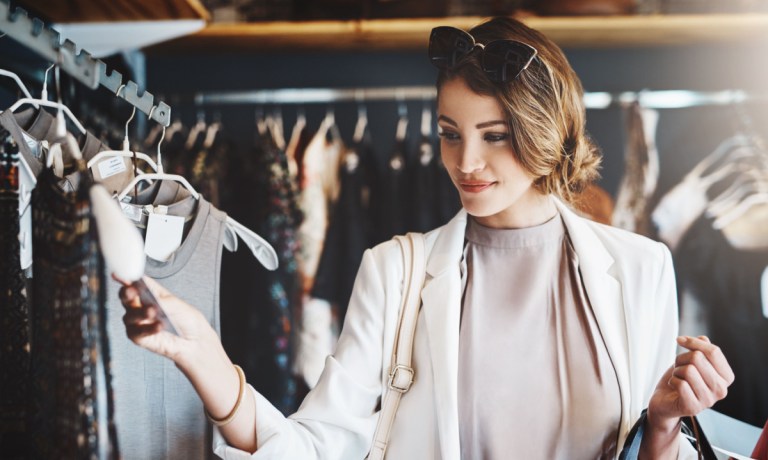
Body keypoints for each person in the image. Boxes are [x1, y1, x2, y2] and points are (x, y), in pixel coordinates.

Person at [117, 17, 734, 459]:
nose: (466, 161)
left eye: (495, 135)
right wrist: (205, 358)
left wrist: (661, 427)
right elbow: (314, 445)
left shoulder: (640, 268)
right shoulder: (395, 272)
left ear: (548, 134)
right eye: (448, 132)